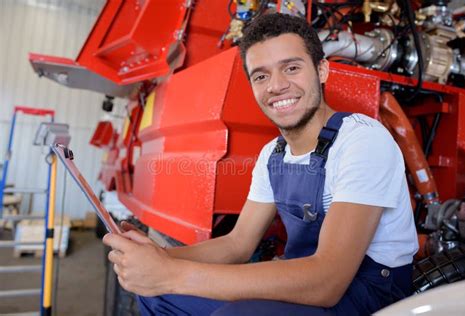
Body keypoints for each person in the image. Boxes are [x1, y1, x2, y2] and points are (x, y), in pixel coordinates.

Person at [103, 13, 418, 315]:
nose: (276, 85)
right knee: (158, 297)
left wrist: (172, 274)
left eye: (291, 68)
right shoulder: (273, 154)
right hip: (300, 280)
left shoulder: (362, 141)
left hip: (365, 294)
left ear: (321, 70)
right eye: (261, 75)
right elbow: (237, 244)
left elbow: (328, 280)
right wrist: (157, 258)